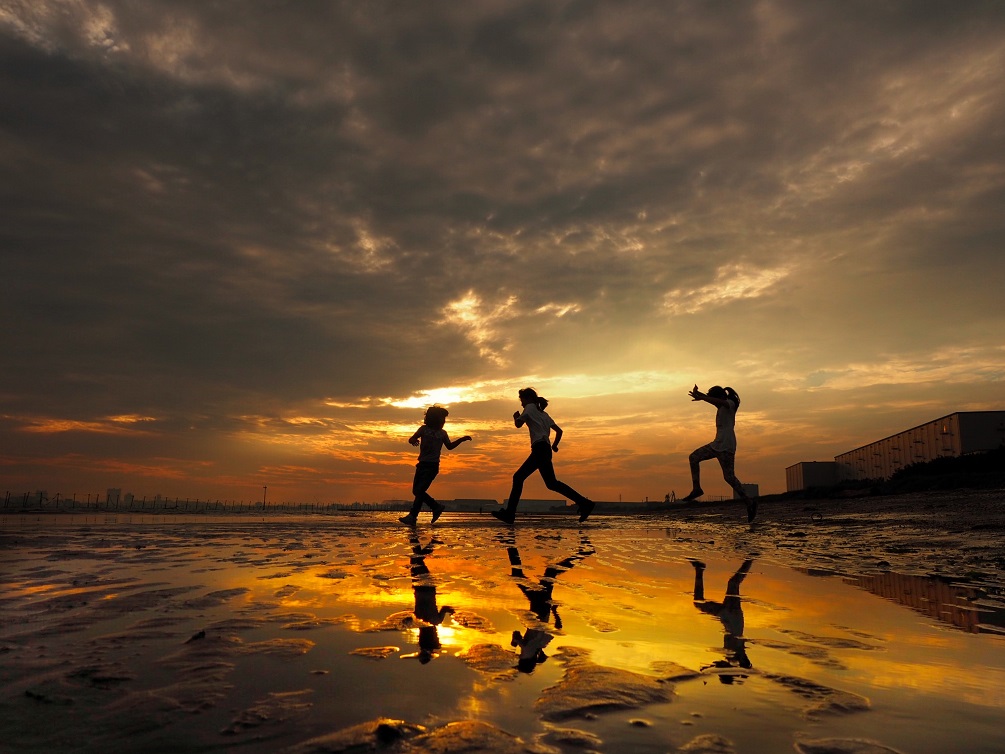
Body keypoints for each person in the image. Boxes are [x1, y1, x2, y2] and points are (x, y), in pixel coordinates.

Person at [491, 388, 595, 524]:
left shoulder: (529, 408)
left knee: (518, 477)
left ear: (527, 399)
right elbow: (559, 431)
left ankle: (510, 513)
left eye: (521, 400)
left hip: (539, 449)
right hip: (546, 449)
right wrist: (555, 445)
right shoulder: (544, 415)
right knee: (552, 483)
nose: (521, 404)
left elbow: (518, 424)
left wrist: (515, 417)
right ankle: (585, 503)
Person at [684, 384, 757, 522]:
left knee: (729, 477)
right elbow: (716, 402)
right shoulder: (721, 406)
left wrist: (703, 397)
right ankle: (697, 488)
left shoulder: (730, 404)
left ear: (720, 397)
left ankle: (750, 502)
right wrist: (700, 395)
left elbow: (719, 402)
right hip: (717, 444)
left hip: (726, 445)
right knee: (694, 457)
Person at [399, 405, 471, 525]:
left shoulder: (442, 434)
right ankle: (415, 516)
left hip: (432, 467)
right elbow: (411, 439)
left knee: (419, 490)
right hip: (421, 464)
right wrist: (413, 441)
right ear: (434, 419)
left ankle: (432, 507)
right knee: (417, 491)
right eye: (442, 419)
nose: (444, 422)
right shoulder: (423, 429)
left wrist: (461, 439)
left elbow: (450, 446)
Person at [690, 558, 754, 678]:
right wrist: (743, 672)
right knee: (733, 583)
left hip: (726, 616)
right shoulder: (737, 657)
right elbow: (747, 664)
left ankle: (699, 569)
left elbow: (717, 665)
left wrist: (707, 668)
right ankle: (751, 559)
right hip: (733, 616)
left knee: (698, 602)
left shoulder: (728, 658)